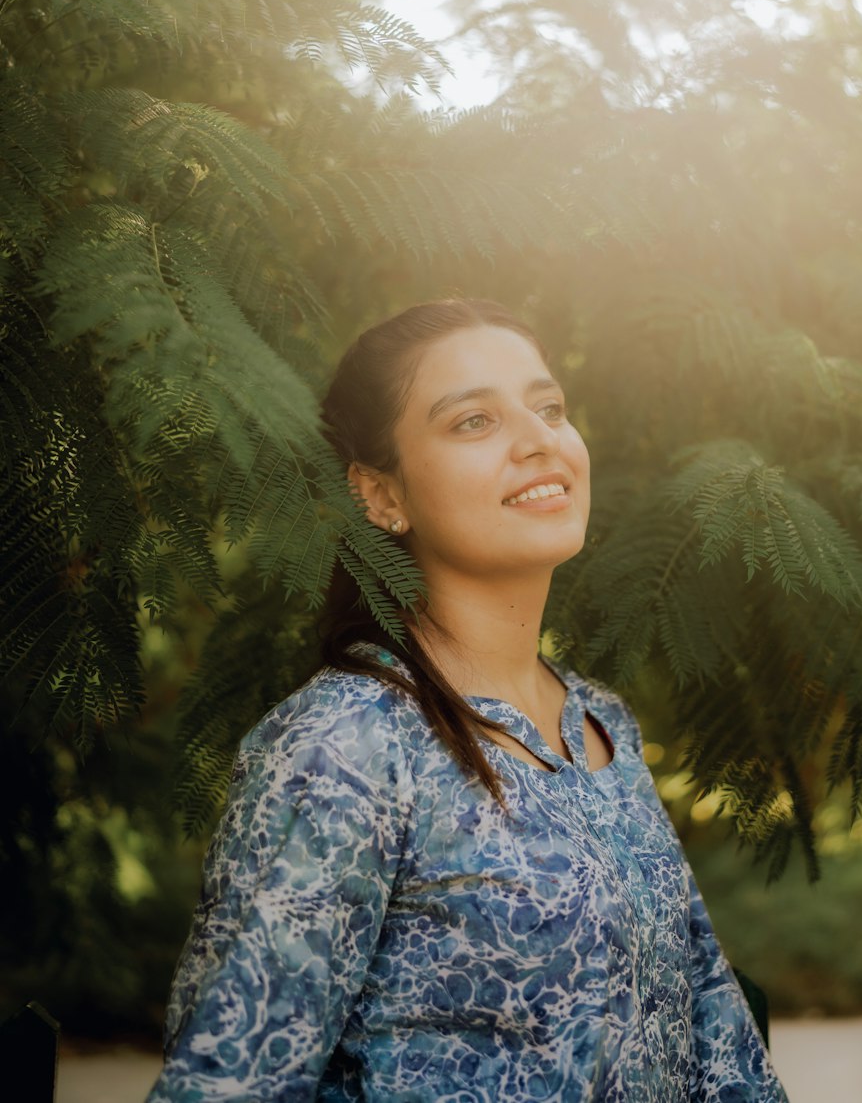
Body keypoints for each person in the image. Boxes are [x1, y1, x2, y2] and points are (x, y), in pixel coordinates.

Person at [146, 298, 788, 1102]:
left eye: (549, 407)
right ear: (380, 494)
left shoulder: (600, 725)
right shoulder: (344, 746)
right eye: (474, 421)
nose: (538, 439)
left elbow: (715, 1033)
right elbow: (230, 1083)